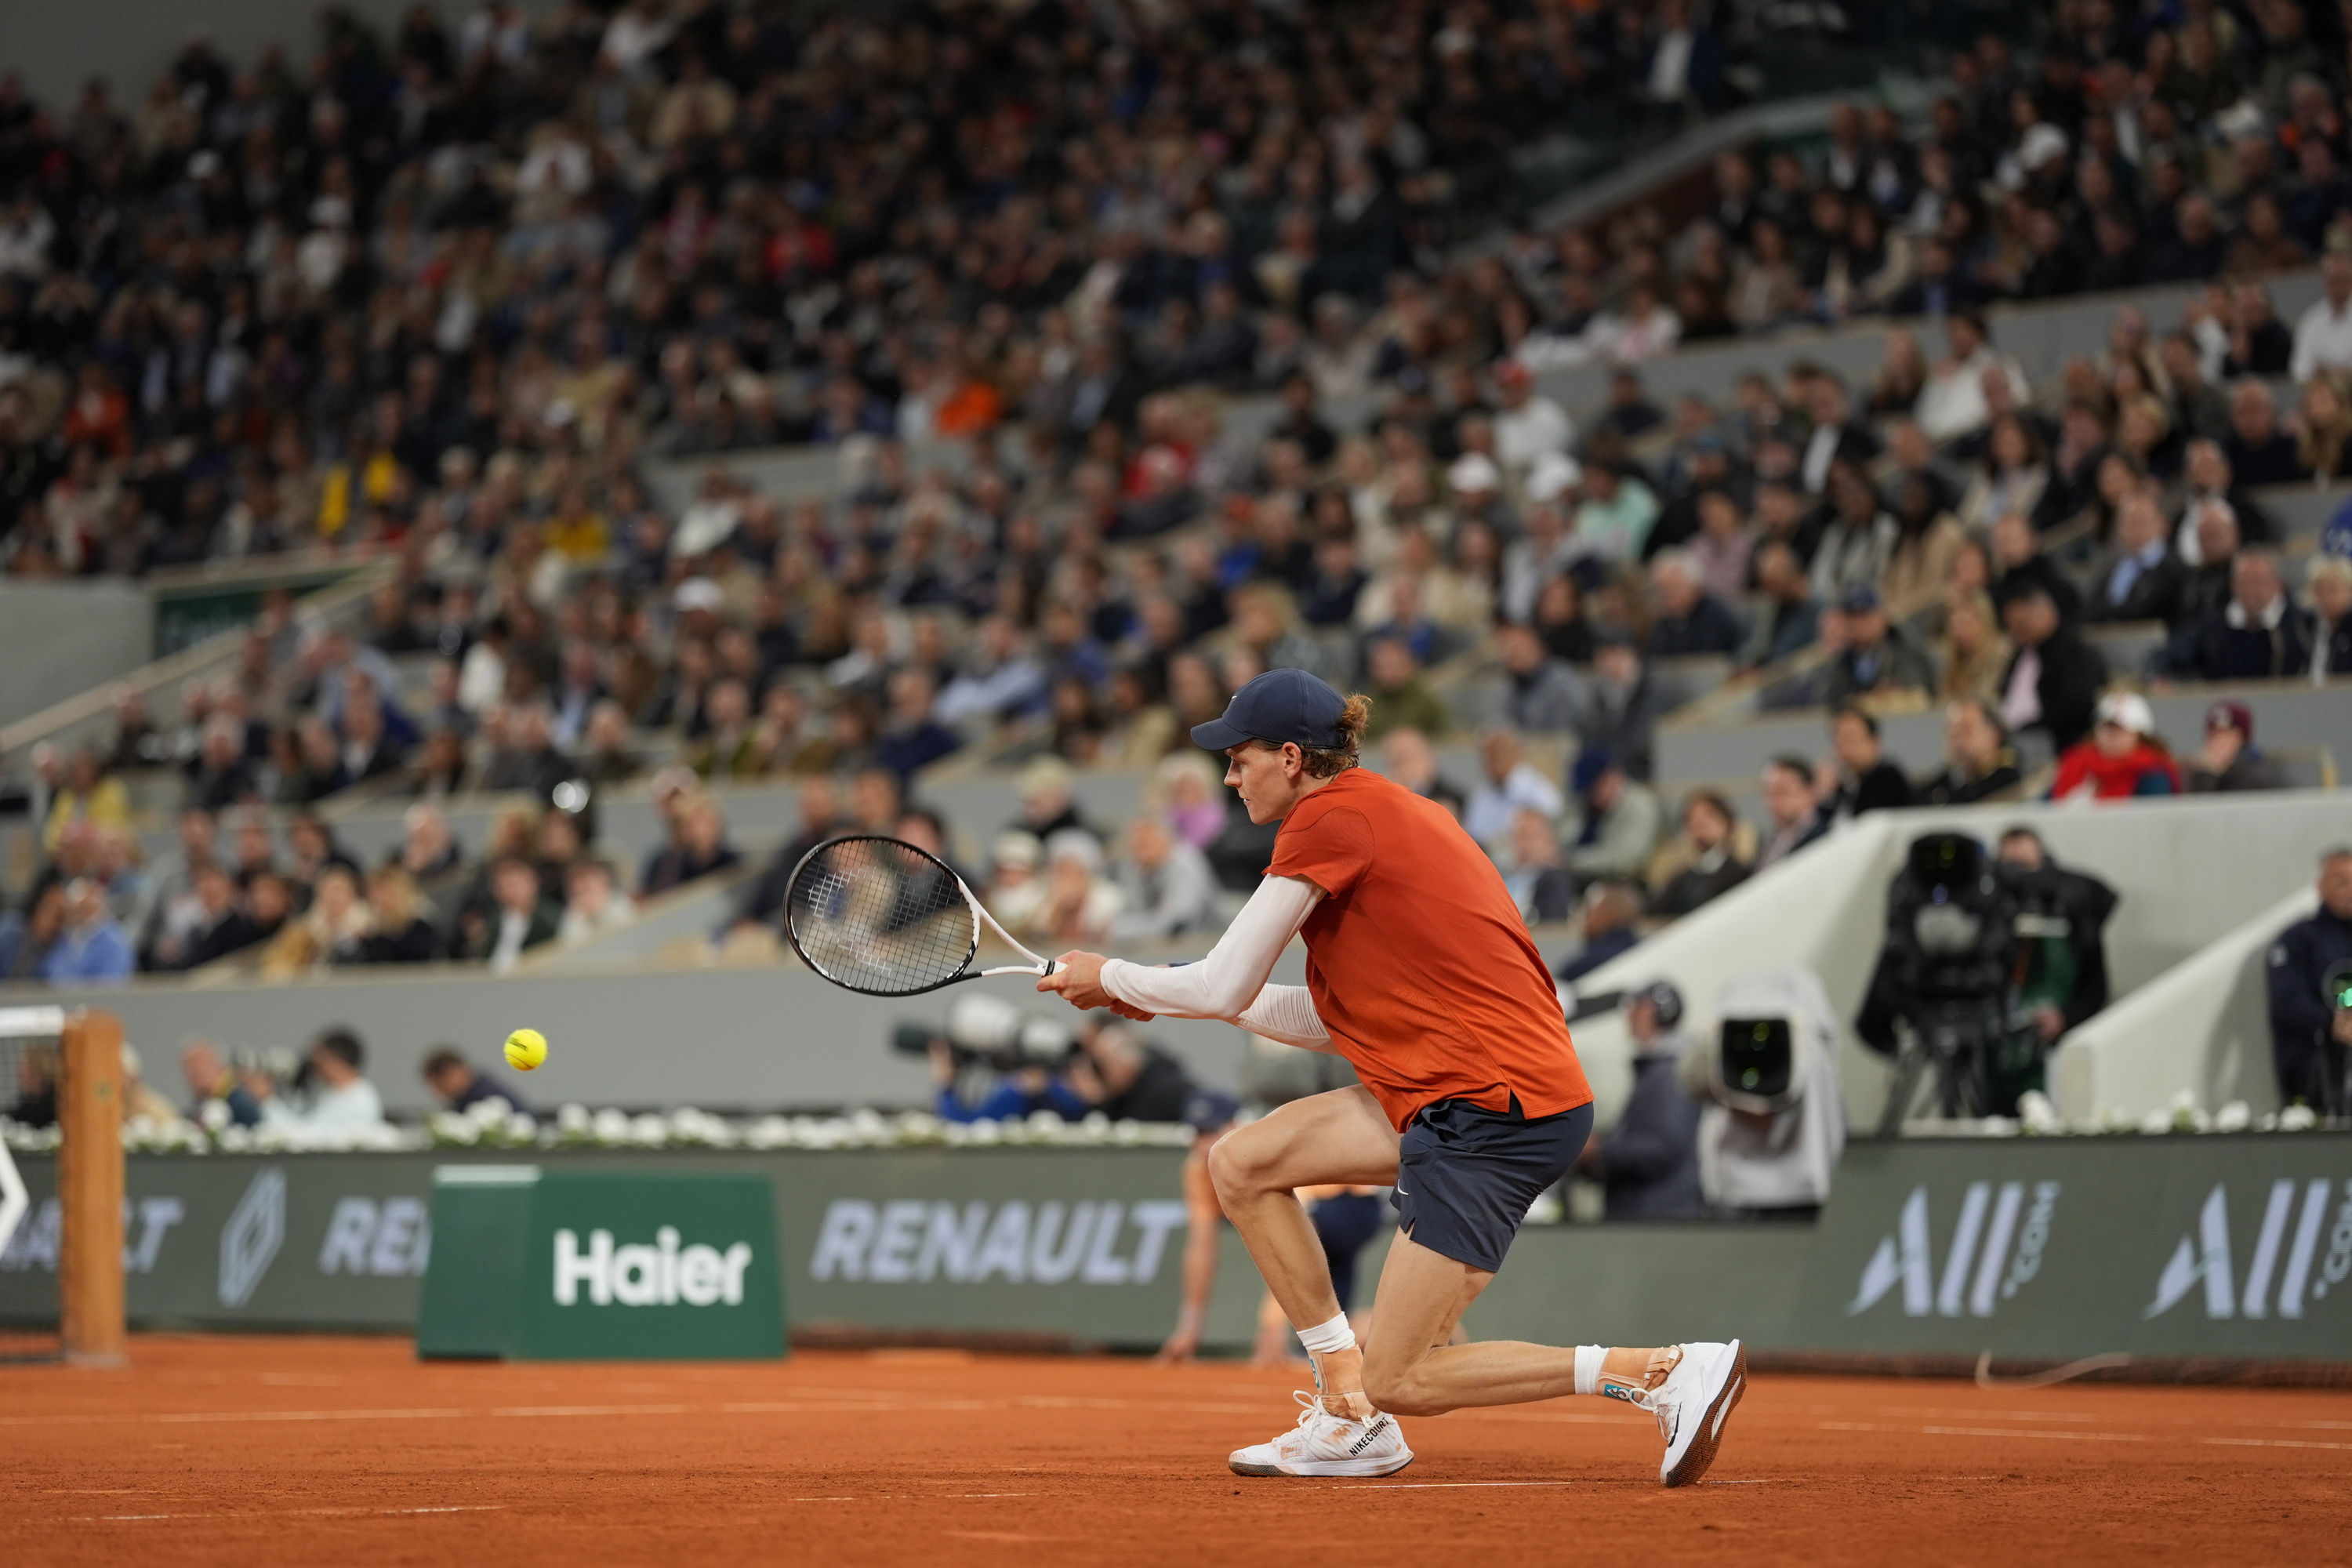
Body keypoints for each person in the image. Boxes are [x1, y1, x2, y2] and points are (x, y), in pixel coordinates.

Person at [1038, 666, 1744, 1487]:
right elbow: (1318, 1017)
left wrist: (1119, 977)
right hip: (1465, 1091)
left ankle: (1663, 1369)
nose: (1228, 776)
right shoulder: (1377, 809)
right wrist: (1166, 993)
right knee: (1239, 1162)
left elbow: (1224, 982)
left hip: (1491, 1108)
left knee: (1407, 1374)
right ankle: (1346, 1411)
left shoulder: (1331, 818)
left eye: (1240, 757)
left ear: (1293, 758)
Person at [1681, 968, 1846, 1218]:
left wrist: (1718, 1092)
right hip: (1743, 1196)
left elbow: (1773, 1121)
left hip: (1787, 1202)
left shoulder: (1804, 1054)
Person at [1575, 983, 1705, 1220]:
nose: (1630, 1015)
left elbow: (1663, 1147)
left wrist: (1599, 1151)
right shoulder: (1659, 1068)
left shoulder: (1669, 1072)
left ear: (1659, 1012)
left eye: (1638, 1006)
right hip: (1653, 1212)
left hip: (1659, 1217)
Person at [2267, 848, 2352, 1108]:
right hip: (2316, 1075)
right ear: (2321, 887)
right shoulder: (2298, 940)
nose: (2351, 891)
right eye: (2342, 883)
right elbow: (2287, 1001)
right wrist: (2332, 1023)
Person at [2158, 548, 2314, 681]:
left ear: (2278, 584)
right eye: (2243, 583)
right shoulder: (2213, 627)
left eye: (2258, 582)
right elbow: (2172, 655)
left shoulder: (2302, 626)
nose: (2250, 591)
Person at [1999, 586, 2108, 753]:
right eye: (2011, 625)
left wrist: (2028, 727)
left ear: (2045, 615)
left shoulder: (2077, 656)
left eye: (2022, 624)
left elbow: (2076, 708)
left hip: (2058, 747)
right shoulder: (2022, 654)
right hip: (2015, 742)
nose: (2015, 631)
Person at [247, 1029, 388, 1138]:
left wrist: (267, 1100)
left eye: (319, 1057)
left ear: (336, 1060)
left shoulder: (358, 1100)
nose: (314, 1065)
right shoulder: (332, 1094)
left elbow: (309, 1138)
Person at [1817, 586, 1936, 712]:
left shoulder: (1907, 654)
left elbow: (1922, 694)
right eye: (1852, 617)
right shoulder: (1840, 665)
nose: (1859, 623)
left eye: (1865, 615)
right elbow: (1829, 704)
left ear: (1882, 616)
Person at [2051, 691, 2182, 801]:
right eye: (2106, 729)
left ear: (2140, 736)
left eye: (2120, 731)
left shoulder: (2152, 772)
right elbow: (2044, 808)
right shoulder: (2076, 765)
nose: (2111, 737)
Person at [1109, 815, 1222, 941]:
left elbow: (1178, 922)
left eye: (1147, 843)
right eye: (1136, 846)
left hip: (1208, 941)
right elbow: (1125, 915)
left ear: (1167, 841)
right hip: (1163, 947)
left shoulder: (1185, 864)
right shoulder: (1132, 868)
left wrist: (1125, 928)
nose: (1140, 851)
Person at [1566, 744, 1665, 884]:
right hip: (1579, 878)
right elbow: (1559, 838)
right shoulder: (1583, 805)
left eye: (1593, 789)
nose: (1589, 797)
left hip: (1622, 884)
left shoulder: (1639, 806)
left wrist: (1570, 861)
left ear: (1611, 778)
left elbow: (1625, 859)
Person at [1651, 793, 1751, 919]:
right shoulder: (1682, 877)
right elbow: (1656, 911)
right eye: (1692, 819)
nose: (1699, 823)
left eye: (1708, 816)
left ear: (1726, 824)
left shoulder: (1740, 874)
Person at [1461, 729, 1565, 849]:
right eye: (1487, 755)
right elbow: (1472, 836)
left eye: (1498, 753)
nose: (1492, 761)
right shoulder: (1480, 796)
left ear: (1517, 753)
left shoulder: (1541, 794)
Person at [1915, 699, 2025, 806]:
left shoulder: (2013, 785)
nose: (1958, 741)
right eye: (1953, 733)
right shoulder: (1937, 789)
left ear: (1994, 735)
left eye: (1966, 731)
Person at [40, 879, 136, 985]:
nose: (74, 914)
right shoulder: (68, 936)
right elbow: (51, 969)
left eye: (82, 908)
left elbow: (109, 983)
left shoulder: (114, 942)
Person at [1824, 707, 1912, 818]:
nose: (1845, 749)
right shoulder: (1842, 786)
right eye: (1839, 741)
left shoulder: (1888, 781)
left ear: (1874, 742)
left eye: (1851, 739)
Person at [1554, 880, 1645, 985]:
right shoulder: (1647, 955)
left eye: (1588, 912)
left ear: (1609, 914)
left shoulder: (1581, 967)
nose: (1582, 919)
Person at [2185, 699, 2280, 793]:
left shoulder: (2255, 774)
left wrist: (2210, 773)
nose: (2220, 742)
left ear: (2242, 739)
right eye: (2215, 735)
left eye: (2228, 735)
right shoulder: (2200, 771)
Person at [1752, 756, 1828, 871]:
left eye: (1784, 792)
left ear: (1810, 792)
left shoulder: (1824, 839)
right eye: (1769, 793)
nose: (1774, 801)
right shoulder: (1769, 841)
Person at [1502, 808, 1575, 926]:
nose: (1523, 845)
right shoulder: (1502, 875)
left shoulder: (1554, 881)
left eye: (1530, 837)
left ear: (1548, 840)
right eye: (1518, 836)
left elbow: (1552, 926)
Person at [420, 1046, 530, 1116]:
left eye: (439, 1085)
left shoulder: (486, 1096)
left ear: (453, 1073)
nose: (438, 1093)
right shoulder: (466, 1098)